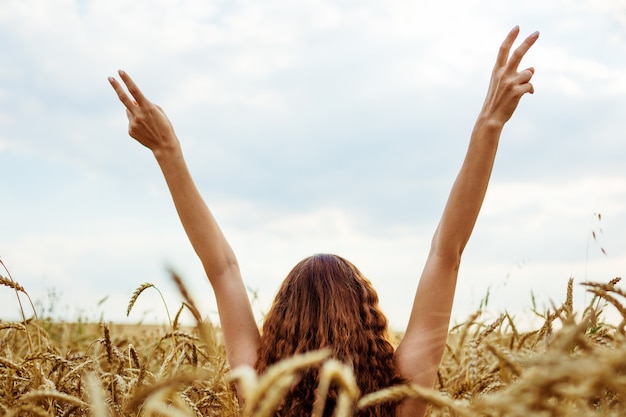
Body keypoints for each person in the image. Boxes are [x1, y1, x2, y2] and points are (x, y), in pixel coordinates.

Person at [109, 26, 538, 417]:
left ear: (282, 323)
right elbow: (447, 252)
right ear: (364, 316)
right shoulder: (402, 391)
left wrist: (168, 151)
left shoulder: (260, 392)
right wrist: (490, 123)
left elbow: (222, 269)